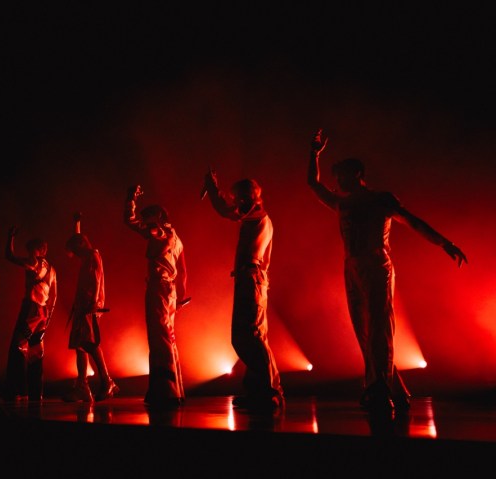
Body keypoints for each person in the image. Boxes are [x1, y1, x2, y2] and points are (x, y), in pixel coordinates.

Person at [307, 128, 468, 413]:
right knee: (364, 332)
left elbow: (412, 221)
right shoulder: (342, 203)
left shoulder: (380, 199)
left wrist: (445, 243)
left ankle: (380, 390)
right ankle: (394, 389)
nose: (337, 182)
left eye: (342, 176)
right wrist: (314, 154)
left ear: (357, 174)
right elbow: (313, 183)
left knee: (379, 329)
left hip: (376, 266)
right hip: (352, 267)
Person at [201, 169, 285, 413]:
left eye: (238, 197)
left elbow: (226, 211)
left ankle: (269, 391)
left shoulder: (257, 213)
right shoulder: (257, 216)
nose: (236, 201)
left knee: (249, 336)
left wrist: (212, 188)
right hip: (251, 278)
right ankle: (261, 390)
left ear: (249, 196)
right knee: (251, 335)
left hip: (252, 279)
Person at [124, 185, 188, 409]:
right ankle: (174, 388)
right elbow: (183, 269)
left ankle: (166, 391)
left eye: (148, 217)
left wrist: (131, 199)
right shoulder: (177, 238)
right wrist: (181, 295)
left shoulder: (160, 231)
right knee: (168, 336)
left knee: (160, 337)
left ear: (158, 217)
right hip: (170, 290)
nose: (146, 222)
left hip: (159, 288)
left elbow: (132, 222)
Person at [62, 212, 119, 403]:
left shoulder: (93, 255)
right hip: (83, 306)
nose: (75, 256)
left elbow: (96, 280)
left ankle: (105, 381)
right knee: (81, 345)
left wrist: (93, 304)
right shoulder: (87, 255)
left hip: (88, 306)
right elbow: (78, 240)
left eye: (75, 251)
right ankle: (83, 386)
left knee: (89, 344)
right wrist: (77, 224)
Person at [2, 227, 57, 402]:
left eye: (30, 250)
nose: (29, 253)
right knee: (36, 352)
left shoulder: (34, 262)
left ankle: (17, 390)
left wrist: (10, 238)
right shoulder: (52, 269)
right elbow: (54, 296)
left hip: (31, 309)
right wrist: (47, 318)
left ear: (37, 250)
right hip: (43, 312)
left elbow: (10, 256)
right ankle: (36, 392)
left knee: (18, 347)